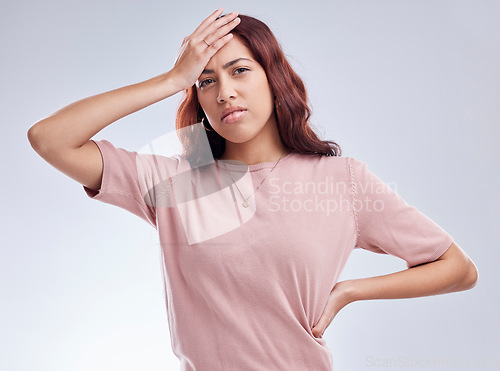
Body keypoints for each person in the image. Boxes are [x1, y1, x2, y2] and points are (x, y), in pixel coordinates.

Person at [27, 8, 478, 371]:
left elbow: (457, 268)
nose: (224, 92)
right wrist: (170, 80)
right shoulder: (174, 183)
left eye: (239, 70)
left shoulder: (342, 180)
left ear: (272, 77)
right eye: (206, 81)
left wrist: (348, 291)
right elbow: (49, 138)